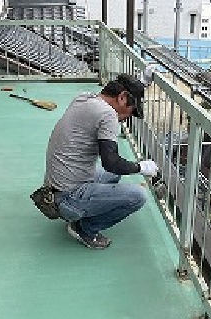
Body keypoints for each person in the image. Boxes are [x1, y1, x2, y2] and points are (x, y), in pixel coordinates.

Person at [44, 70, 159, 249]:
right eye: (130, 111)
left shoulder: (85, 98)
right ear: (122, 98)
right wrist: (142, 167)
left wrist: (140, 83)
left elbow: (111, 168)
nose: (126, 118)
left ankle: (82, 211)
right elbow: (111, 162)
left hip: (53, 190)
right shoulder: (108, 115)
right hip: (68, 198)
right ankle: (85, 229)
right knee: (137, 196)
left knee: (112, 177)